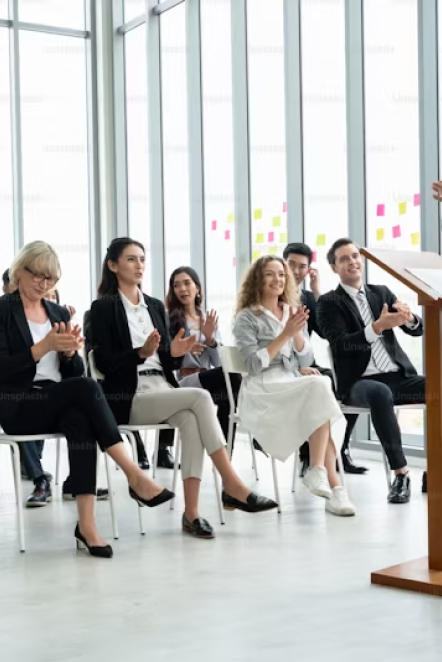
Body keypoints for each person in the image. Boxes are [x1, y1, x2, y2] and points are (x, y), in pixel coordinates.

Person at [90, 237, 278, 539]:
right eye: (130, 259)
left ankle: (191, 515)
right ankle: (231, 484)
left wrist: (174, 351)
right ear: (113, 266)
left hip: (162, 386)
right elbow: (102, 362)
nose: (139, 265)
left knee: (192, 420)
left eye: (142, 258)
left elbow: (166, 360)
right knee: (201, 396)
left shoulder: (153, 306)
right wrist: (139, 353)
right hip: (130, 395)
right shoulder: (102, 309)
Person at [0, 240, 176, 558]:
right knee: (87, 387)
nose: (43, 284)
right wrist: (43, 348)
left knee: (80, 420)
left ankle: (87, 526)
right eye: (37, 276)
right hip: (19, 405)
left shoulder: (55, 311)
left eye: (50, 279)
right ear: (19, 271)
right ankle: (134, 475)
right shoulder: (2, 311)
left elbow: (73, 371)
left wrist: (68, 354)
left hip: (57, 399)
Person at [233, 255, 355, 517]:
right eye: (270, 274)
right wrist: (285, 334)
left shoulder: (290, 310)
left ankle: (324, 478)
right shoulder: (246, 318)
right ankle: (331, 484)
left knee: (321, 390)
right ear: (258, 279)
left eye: (281, 274)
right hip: (263, 388)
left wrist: (296, 333)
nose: (277, 279)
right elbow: (254, 365)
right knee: (321, 390)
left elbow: (306, 358)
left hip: (289, 381)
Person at [316, 238, 425, 504]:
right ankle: (401, 474)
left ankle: (435, 470)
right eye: (344, 259)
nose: (352, 261)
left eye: (355, 256)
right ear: (333, 267)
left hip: (399, 378)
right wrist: (376, 327)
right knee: (379, 392)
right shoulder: (329, 303)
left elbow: (418, 329)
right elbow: (341, 344)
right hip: (359, 383)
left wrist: (409, 318)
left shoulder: (381, 293)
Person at [283, 242, 365, 475]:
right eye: (292, 265)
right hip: (281, 362)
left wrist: (317, 290)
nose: (297, 271)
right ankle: (308, 455)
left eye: (302, 267)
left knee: (344, 381)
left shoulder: (308, 297)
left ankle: (341, 449)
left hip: (306, 361)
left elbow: (324, 330)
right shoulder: (274, 293)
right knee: (313, 387)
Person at [159, 267, 241, 452]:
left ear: (197, 288)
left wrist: (210, 339)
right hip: (182, 381)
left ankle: (224, 452)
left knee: (228, 396)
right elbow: (164, 356)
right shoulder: (167, 319)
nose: (182, 289)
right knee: (232, 377)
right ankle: (223, 448)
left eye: (187, 283)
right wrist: (185, 348)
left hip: (206, 381)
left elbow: (218, 362)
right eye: (176, 285)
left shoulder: (207, 318)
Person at [83, 308, 152, 471]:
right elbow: (94, 355)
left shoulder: (140, 319)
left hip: (138, 376)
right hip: (112, 379)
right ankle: (134, 457)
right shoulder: (98, 314)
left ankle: (148, 453)